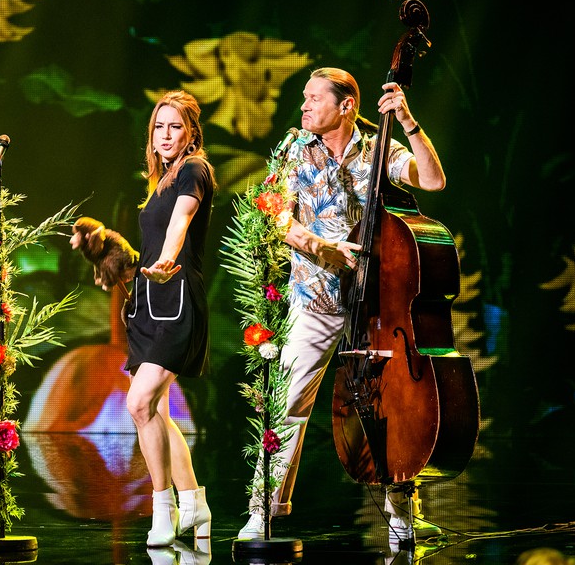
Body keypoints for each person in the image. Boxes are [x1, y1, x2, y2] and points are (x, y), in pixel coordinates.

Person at [236, 67, 446, 544]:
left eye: (314, 98)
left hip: (373, 308)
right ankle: (262, 512)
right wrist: (318, 246)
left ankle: (400, 514)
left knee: (386, 405)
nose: (305, 106)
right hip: (313, 300)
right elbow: (272, 214)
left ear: (345, 106)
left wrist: (409, 123)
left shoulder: (378, 146)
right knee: (286, 404)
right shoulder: (294, 149)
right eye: (305, 98)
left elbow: (432, 181)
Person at [123, 90, 216, 548]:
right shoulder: (160, 180)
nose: (165, 135)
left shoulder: (194, 171)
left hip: (177, 297)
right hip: (149, 303)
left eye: (174, 126)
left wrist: (164, 261)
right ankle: (193, 501)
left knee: (139, 404)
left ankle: (164, 506)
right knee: (155, 408)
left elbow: (180, 224)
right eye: (159, 126)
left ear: (191, 133)